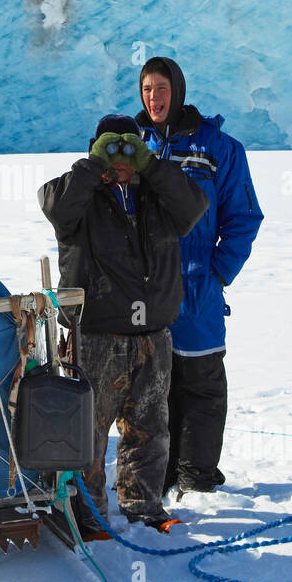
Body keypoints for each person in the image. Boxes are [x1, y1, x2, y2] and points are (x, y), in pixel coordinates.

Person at [38, 114, 207, 539]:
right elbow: (54, 204)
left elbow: (195, 206)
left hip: (153, 334)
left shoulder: (157, 195)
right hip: (96, 334)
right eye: (111, 149)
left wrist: (150, 165)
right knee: (89, 433)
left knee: (149, 429)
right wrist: (95, 165)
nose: (121, 160)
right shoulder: (81, 197)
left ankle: (143, 505)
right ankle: (89, 514)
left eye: (128, 148)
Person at [135, 57, 264, 498]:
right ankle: (164, 472)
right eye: (148, 89)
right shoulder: (132, 146)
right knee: (154, 388)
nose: (155, 98)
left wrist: (217, 274)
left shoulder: (218, 147)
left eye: (162, 88)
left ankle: (197, 475)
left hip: (196, 290)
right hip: (145, 292)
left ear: (179, 90)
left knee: (202, 385)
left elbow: (244, 217)